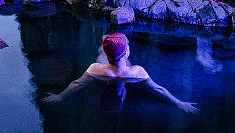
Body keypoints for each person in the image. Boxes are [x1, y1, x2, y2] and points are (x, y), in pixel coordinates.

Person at [42, 33, 200, 114]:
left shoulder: (95, 69)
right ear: (127, 53)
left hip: (107, 72)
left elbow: (77, 83)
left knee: (105, 45)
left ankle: (106, 40)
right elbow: (157, 88)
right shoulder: (137, 72)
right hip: (124, 74)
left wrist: (60, 96)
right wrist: (179, 103)